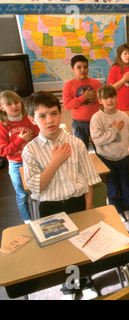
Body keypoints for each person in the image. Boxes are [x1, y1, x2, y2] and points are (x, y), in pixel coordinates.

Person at [22, 91, 101, 299]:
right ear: (32, 119)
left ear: (61, 114)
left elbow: (89, 180)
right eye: (42, 116)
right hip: (50, 208)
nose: (50, 120)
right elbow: (36, 187)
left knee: (82, 246)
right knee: (62, 252)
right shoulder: (30, 151)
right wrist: (55, 161)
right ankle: (69, 286)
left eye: (54, 113)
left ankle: (85, 281)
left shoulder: (76, 143)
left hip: (77, 203)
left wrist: (89, 208)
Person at [90, 84, 129, 222]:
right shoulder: (97, 118)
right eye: (106, 98)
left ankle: (126, 208)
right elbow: (98, 139)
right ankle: (117, 210)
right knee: (112, 187)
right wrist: (114, 130)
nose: (109, 100)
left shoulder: (123, 116)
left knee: (126, 185)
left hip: (123, 157)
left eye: (112, 97)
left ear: (116, 98)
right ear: (100, 100)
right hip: (107, 158)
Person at [0, 91, 39, 223]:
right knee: (22, 195)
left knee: (38, 191)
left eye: (16, 102)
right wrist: (21, 140)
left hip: (34, 162)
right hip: (16, 164)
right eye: (9, 104)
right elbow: (4, 151)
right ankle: (28, 221)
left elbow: (39, 137)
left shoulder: (29, 119)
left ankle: (41, 217)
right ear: (2, 107)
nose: (14, 106)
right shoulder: (2, 126)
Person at [63, 55, 102, 150]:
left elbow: (102, 101)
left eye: (85, 67)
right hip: (79, 123)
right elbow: (67, 106)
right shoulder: (68, 85)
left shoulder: (96, 83)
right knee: (81, 150)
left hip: (96, 121)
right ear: (72, 69)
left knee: (100, 148)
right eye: (79, 67)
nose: (83, 70)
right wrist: (84, 97)